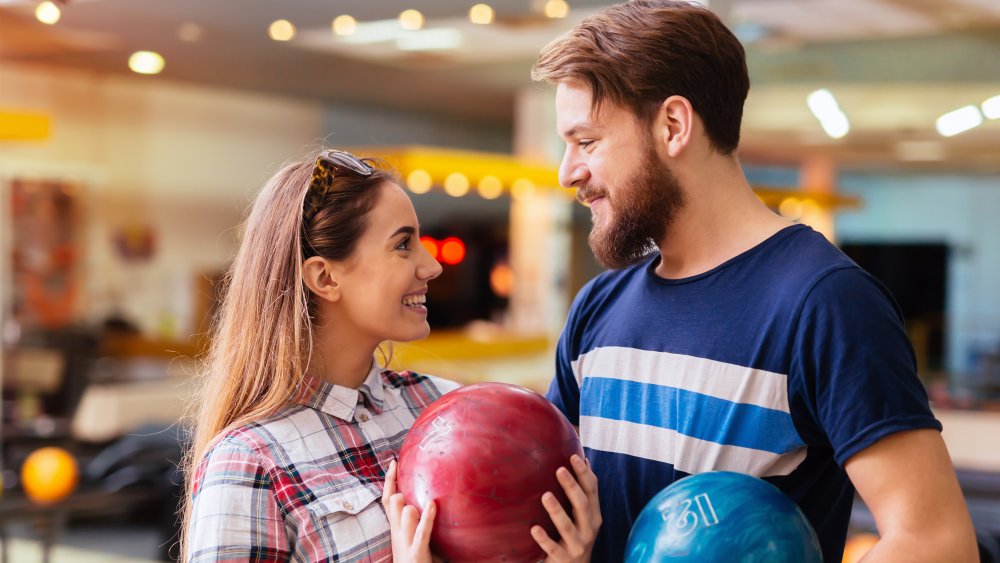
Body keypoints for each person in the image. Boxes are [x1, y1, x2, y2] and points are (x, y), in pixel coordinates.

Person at [531, 2, 978, 562]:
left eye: (587, 142)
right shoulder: (598, 306)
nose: (567, 171)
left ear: (673, 126)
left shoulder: (826, 303)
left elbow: (936, 542)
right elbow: (553, 509)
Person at [181, 149, 600, 562]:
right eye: (403, 245)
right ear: (325, 276)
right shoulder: (248, 462)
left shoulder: (440, 406)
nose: (432, 266)